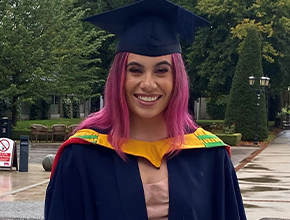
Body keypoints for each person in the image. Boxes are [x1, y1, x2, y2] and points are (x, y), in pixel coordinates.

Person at [45, 0, 247, 219]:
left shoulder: (209, 156)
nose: (148, 83)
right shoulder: (83, 155)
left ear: (176, 78)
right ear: (119, 77)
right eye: (135, 70)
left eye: (161, 70)